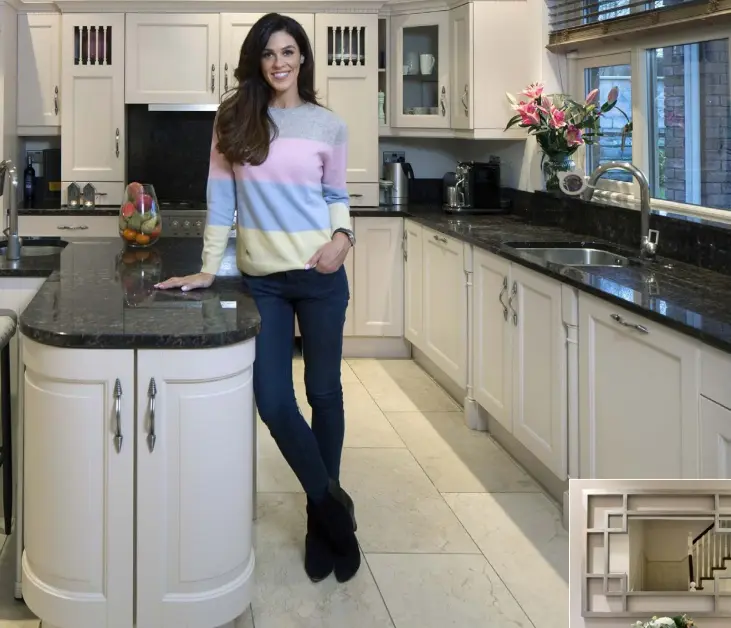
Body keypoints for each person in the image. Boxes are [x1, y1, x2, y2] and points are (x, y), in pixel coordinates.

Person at [155, 13, 360, 583]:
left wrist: (344, 238)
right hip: (264, 281)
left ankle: (320, 527)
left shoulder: (328, 125)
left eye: (289, 52)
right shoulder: (233, 122)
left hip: (321, 277)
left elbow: (336, 194)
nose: (280, 63)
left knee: (324, 392)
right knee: (273, 401)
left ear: (302, 58)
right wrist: (203, 269)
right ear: (257, 60)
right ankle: (332, 508)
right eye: (269, 54)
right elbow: (221, 203)